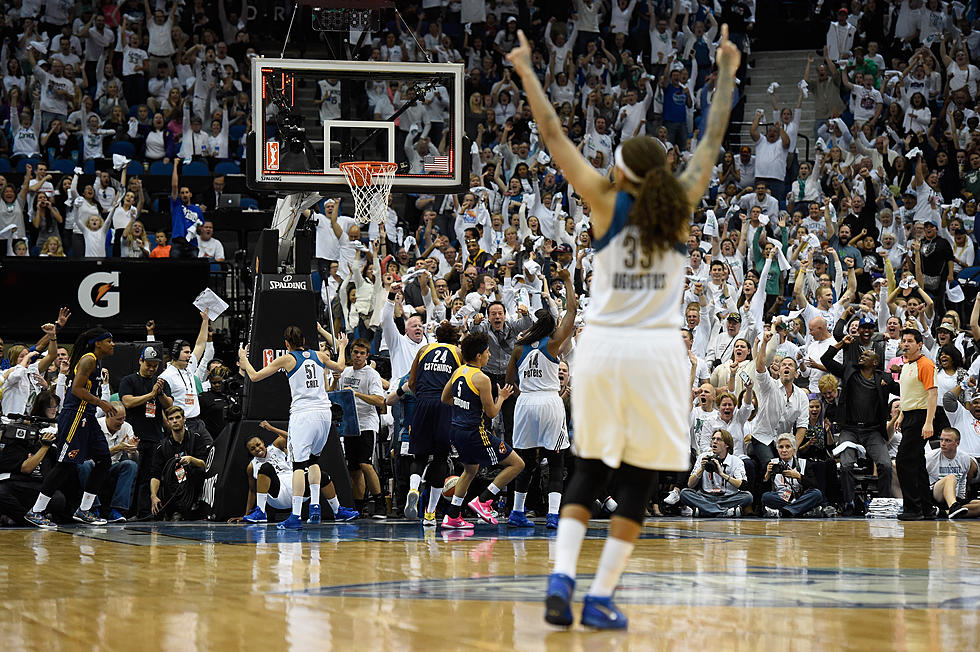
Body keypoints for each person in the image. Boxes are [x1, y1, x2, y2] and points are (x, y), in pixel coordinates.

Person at [510, 22, 739, 629]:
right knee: (639, 479)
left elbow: (554, 136)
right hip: (657, 353)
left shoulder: (604, 202)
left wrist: (529, 71)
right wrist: (726, 73)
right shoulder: (683, 200)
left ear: (622, 170)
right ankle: (601, 594)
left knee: (589, 469)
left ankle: (561, 577)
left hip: (601, 349)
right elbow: (714, 136)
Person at [238, 327, 347, 529]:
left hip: (303, 414)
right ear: (304, 339)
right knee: (314, 460)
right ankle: (315, 505)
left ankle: (295, 515)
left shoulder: (287, 359)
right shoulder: (319, 355)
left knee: (299, 465)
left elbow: (254, 377)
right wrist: (342, 347)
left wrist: (243, 359)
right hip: (324, 413)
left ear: (287, 344)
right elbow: (340, 367)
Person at [505, 268, 578, 529]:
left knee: (524, 460)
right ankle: (553, 515)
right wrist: (568, 281)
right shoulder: (553, 343)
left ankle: (516, 512)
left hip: (525, 402)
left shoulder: (518, 347)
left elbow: (509, 382)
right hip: (549, 401)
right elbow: (572, 311)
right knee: (556, 460)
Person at [25, 328, 118, 528]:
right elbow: (76, 389)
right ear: (98, 343)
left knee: (103, 459)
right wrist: (101, 402)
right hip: (75, 415)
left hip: (88, 416)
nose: (113, 344)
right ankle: (36, 510)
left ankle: (84, 509)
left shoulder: (96, 360)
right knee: (66, 464)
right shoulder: (89, 359)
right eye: (109, 341)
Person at [440, 332, 523, 529]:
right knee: (517, 464)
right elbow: (492, 413)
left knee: (470, 471)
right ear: (478, 355)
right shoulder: (482, 378)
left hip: (456, 431)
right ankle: (484, 500)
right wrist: (502, 396)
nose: (490, 355)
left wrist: (464, 406)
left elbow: (445, 398)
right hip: (475, 433)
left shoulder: (458, 372)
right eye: (487, 352)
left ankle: (452, 516)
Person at [820, 335, 899, 514]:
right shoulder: (849, 371)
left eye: (867, 355)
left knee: (886, 465)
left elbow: (904, 391)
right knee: (846, 465)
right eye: (861, 355)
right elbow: (825, 359)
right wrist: (841, 344)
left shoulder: (884, 378)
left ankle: (883, 503)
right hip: (850, 429)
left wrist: (899, 372)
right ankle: (849, 503)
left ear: (876, 361)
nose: (862, 356)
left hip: (872, 431)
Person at [234, 421, 358, 523]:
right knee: (266, 468)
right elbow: (252, 490)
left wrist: (271, 428)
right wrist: (246, 515)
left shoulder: (276, 446)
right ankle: (260, 512)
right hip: (277, 494)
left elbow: (291, 438)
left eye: (258, 444)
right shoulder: (251, 466)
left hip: (297, 488)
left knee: (323, 476)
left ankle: (338, 512)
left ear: (263, 443)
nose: (257, 449)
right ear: (250, 452)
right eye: (253, 449)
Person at [404, 322, 462, 526]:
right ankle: (430, 513)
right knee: (440, 458)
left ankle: (413, 489)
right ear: (455, 337)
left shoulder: (423, 350)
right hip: (444, 405)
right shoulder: (457, 352)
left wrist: (422, 398)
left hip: (423, 403)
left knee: (418, 456)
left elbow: (411, 383)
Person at [334, 338, 387, 519]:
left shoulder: (371, 374)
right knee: (354, 468)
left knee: (366, 463)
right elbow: (334, 395)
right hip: (349, 424)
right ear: (351, 353)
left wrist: (356, 394)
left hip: (366, 424)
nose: (358, 356)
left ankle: (380, 504)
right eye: (355, 352)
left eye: (362, 353)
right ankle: (358, 506)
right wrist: (334, 382)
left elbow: (380, 401)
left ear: (367, 355)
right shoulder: (346, 372)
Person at [118, 346, 173, 518]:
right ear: (140, 361)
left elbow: (169, 405)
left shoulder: (160, 383)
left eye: (155, 366)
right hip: (134, 436)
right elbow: (128, 402)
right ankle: (125, 511)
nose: (151, 369)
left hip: (155, 436)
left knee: (148, 478)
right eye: (148, 365)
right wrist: (151, 395)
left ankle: (143, 513)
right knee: (132, 475)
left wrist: (160, 393)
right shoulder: (129, 380)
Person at [896, 328, 938, 521]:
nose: (905, 344)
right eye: (903, 340)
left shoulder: (926, 364)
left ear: (919, 344)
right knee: (917, 463)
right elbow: (908, 394)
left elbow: (932, 394)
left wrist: (929, 422)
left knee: (904, 461)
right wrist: (901, 415)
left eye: (910, 341)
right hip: (910, 416)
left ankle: (913, 508)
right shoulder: (906, 365)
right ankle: (927, 508)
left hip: (921, 417)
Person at [77, 400, 138, 522]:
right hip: (95, 465)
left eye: (124, 418)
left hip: (112, 467)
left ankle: (117, 510)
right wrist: (118, 448)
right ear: (107, 416)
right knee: (84, 465)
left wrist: (132, 451)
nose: (122, 422)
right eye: (118, 419)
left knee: (130, 465)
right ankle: (92, 508)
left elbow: (135, 459)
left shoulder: (127, 427)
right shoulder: (96, 426)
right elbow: (88, 456)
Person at [149, 406, 213, 520]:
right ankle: (175, 511)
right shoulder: (162, 447)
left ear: (184, 419)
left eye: (178, 417)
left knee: (196, 471)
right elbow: (155, 475)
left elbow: (204, 465)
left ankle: (194, 504)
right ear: (168, 422)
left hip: (192, 482)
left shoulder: (196, 438)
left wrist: (191, 459)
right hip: (173, 486)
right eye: (171, 419)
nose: (175, 421)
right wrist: (153, 496)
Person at [678, 429, 753, 517]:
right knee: (684, 493)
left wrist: (722, 474)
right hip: (706, 496)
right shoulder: (703, 457)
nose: (714, 442)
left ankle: (705, 510)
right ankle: (725, 512)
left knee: (748, 496)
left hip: (728, 497)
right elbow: (690, 484)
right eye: (713, 439)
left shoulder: (736, 461)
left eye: (719, 439)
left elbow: (742, 485)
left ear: (727, 444)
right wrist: (701, 469)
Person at [159, 313, 210, 434]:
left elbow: (200, 344)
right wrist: (169, 427)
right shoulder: (165, 376)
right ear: (176, 354)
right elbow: (163, 406)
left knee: (209, 449)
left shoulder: (189, 366)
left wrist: (205, 320)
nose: (189, 355)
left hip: (197, 421)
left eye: (190, 352)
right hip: (182, 424)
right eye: (186, 352)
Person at [760, 434, 826, 517]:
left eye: (788, 447)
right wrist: (767, 475)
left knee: (817, 494)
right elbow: (761, 490)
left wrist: (799, 476)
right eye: (781, 447)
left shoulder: (804, 463)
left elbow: (814, 485)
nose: (784, 450)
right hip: (781, 499)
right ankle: (800, 510)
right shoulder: (771, 463)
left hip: (800, 498)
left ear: (794, 450)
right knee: (766, 497)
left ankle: (783, 512)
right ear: (777, 450)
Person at [926, 427, 979, 519]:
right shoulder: (930, 457)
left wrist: (962, 500)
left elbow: (962, 482)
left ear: (957, 443)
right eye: (941, 440)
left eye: (947, 441)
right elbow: (920, 480)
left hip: (954, 497)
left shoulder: (965, 458)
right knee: (951, 477)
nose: (943, 444)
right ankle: (953, 508)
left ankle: (944, 513)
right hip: (935, 495)